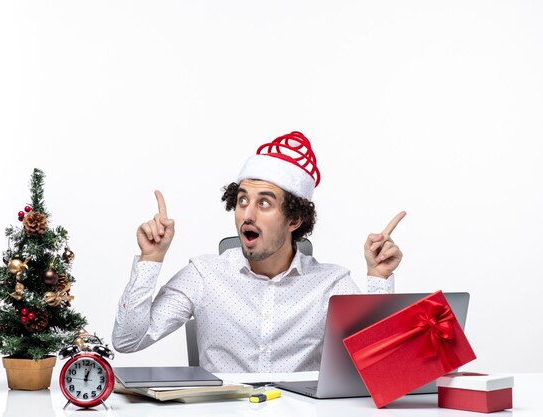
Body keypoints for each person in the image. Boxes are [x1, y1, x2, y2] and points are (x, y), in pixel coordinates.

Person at [112, 131, 405, 373]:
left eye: (264, 203)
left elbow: (382, 366)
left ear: (294, 219)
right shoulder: (203, 274)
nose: (247, 214)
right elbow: (127, 341)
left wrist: (378, 277)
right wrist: (151, 259)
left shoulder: (332, 284)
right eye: (241, 200)